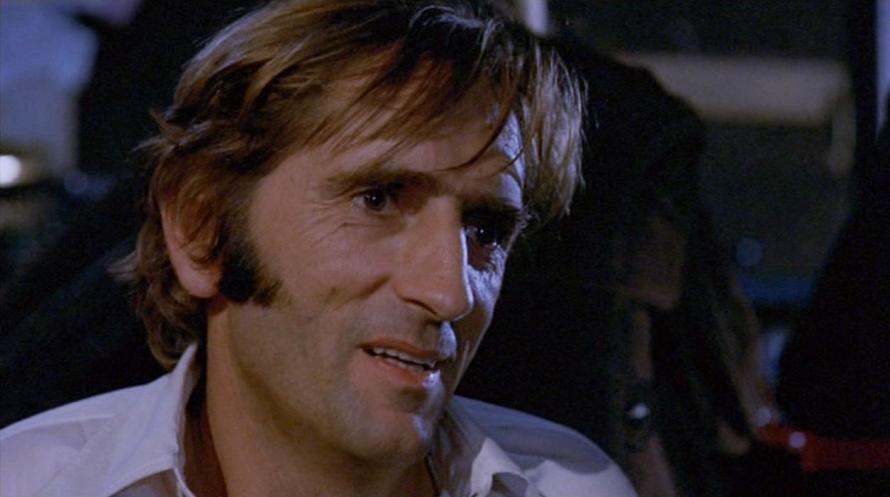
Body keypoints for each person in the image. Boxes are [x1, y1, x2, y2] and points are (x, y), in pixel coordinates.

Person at [0, 1, 638, 496]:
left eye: (486, 230)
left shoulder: (571, 485)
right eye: (378, 199)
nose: (449, 293)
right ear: (200, 228)